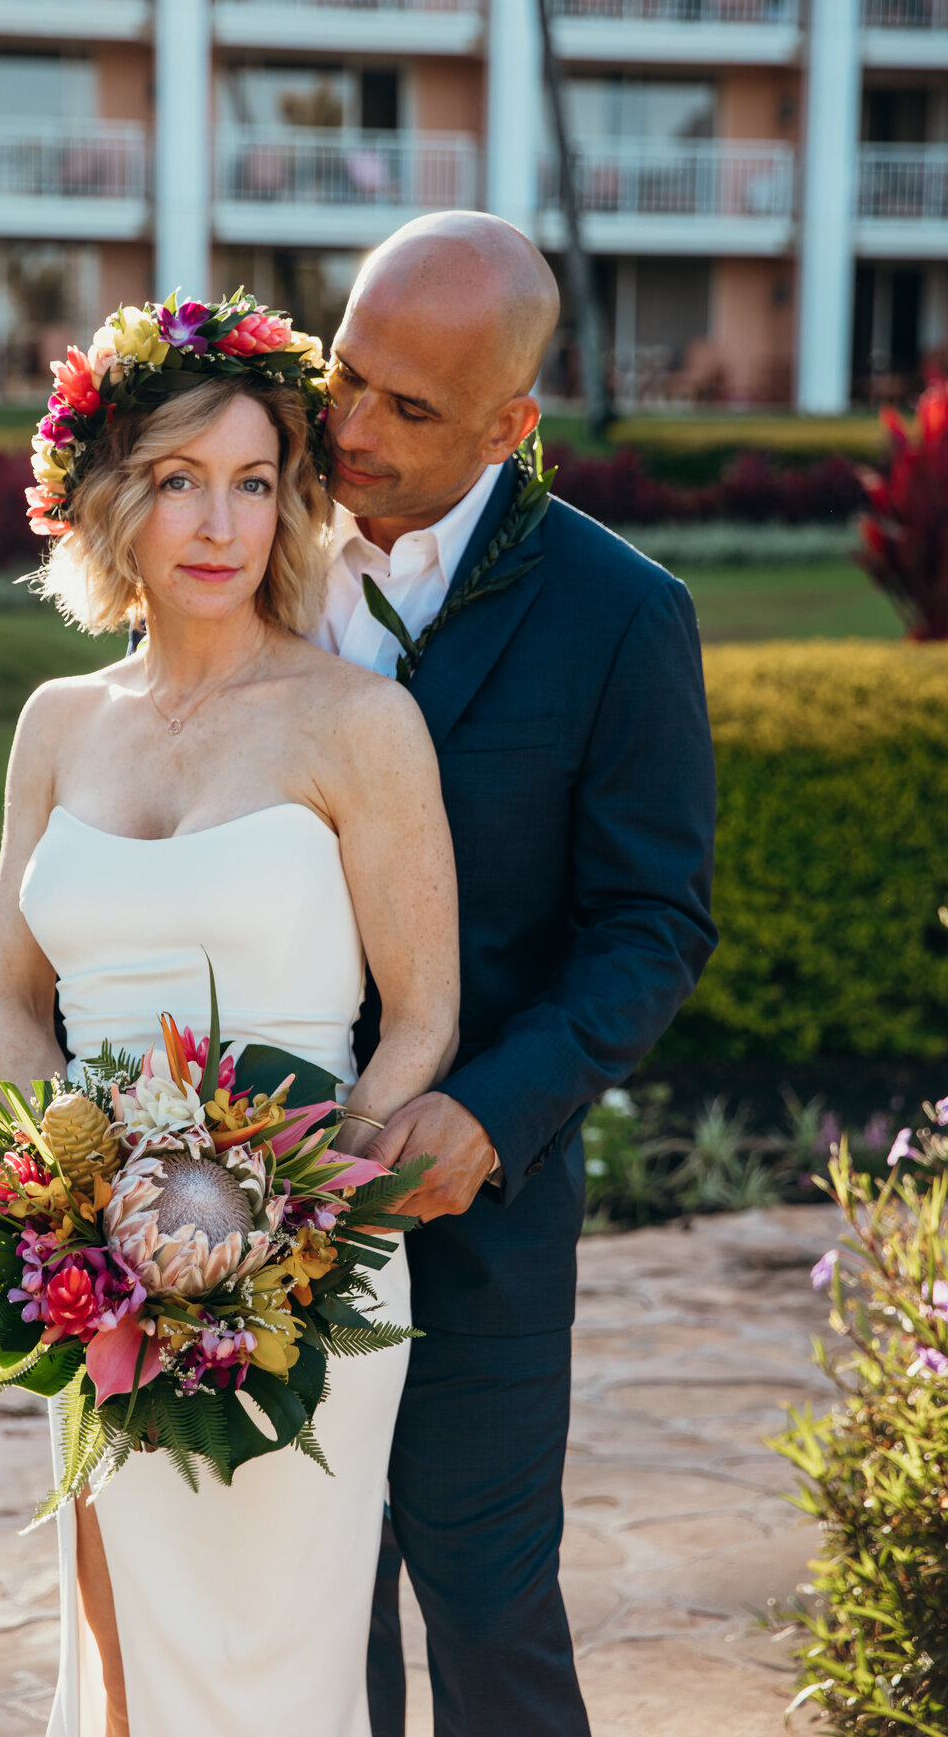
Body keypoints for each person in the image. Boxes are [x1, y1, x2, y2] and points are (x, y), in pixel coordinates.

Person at [0, 330, 460, 1736]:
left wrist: (296, 1224)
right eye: (180, 478)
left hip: (303, 1290)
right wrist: (67, 1191)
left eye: (256, 484)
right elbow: (9, 998)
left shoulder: (358, 725)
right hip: (99, 1282)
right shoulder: (58, 725)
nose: (219, 523)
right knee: (123, 1671)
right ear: (111, 494)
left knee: (275, 1674)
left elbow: (422, 1013)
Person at [313, 212, 719, 1737]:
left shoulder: (622, 616)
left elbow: (653, 923)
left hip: (473, 1210)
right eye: (346, 376)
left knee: (486, 1615)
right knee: (305, 1608)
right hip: (231, 1185)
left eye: (410, 410)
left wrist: (490, 1116)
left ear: (511, 422)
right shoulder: (245, 542)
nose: (352, 430)